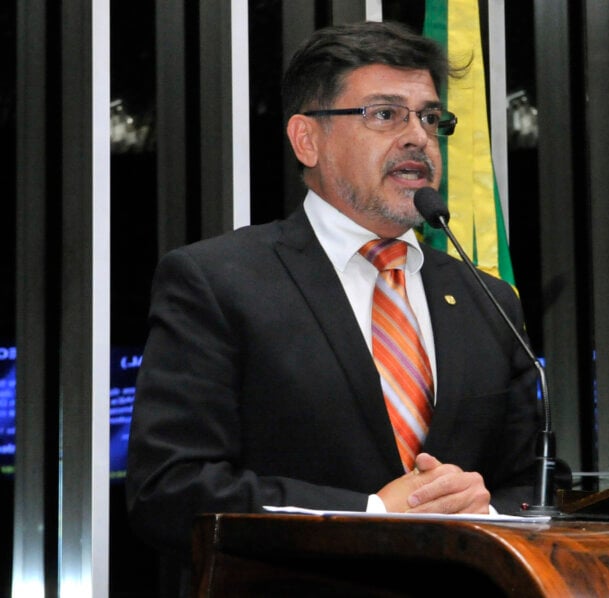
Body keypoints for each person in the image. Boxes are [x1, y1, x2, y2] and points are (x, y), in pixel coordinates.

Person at [126, 19, 541, 572]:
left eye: (429, 116)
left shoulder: (487, 298)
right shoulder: (218, 281)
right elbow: (170, 490)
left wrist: (484, 510)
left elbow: (533, 485)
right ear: (307, 139)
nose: (417, 135)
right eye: (385, 114)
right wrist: (370, 513)